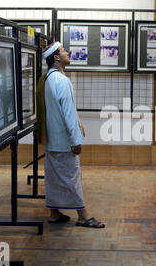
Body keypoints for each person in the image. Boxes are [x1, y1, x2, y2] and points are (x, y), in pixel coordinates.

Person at [37, 41, 105, 228]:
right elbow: (68, 114)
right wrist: (76, 141)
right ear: (56, 58)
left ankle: (54, 213)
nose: (67, 52)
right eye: (63, 51)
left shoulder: (47, 80)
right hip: (63, 142)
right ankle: (83, 216)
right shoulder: (61, 81)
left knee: (53, 177)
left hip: (52, 140)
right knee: (71, 178)